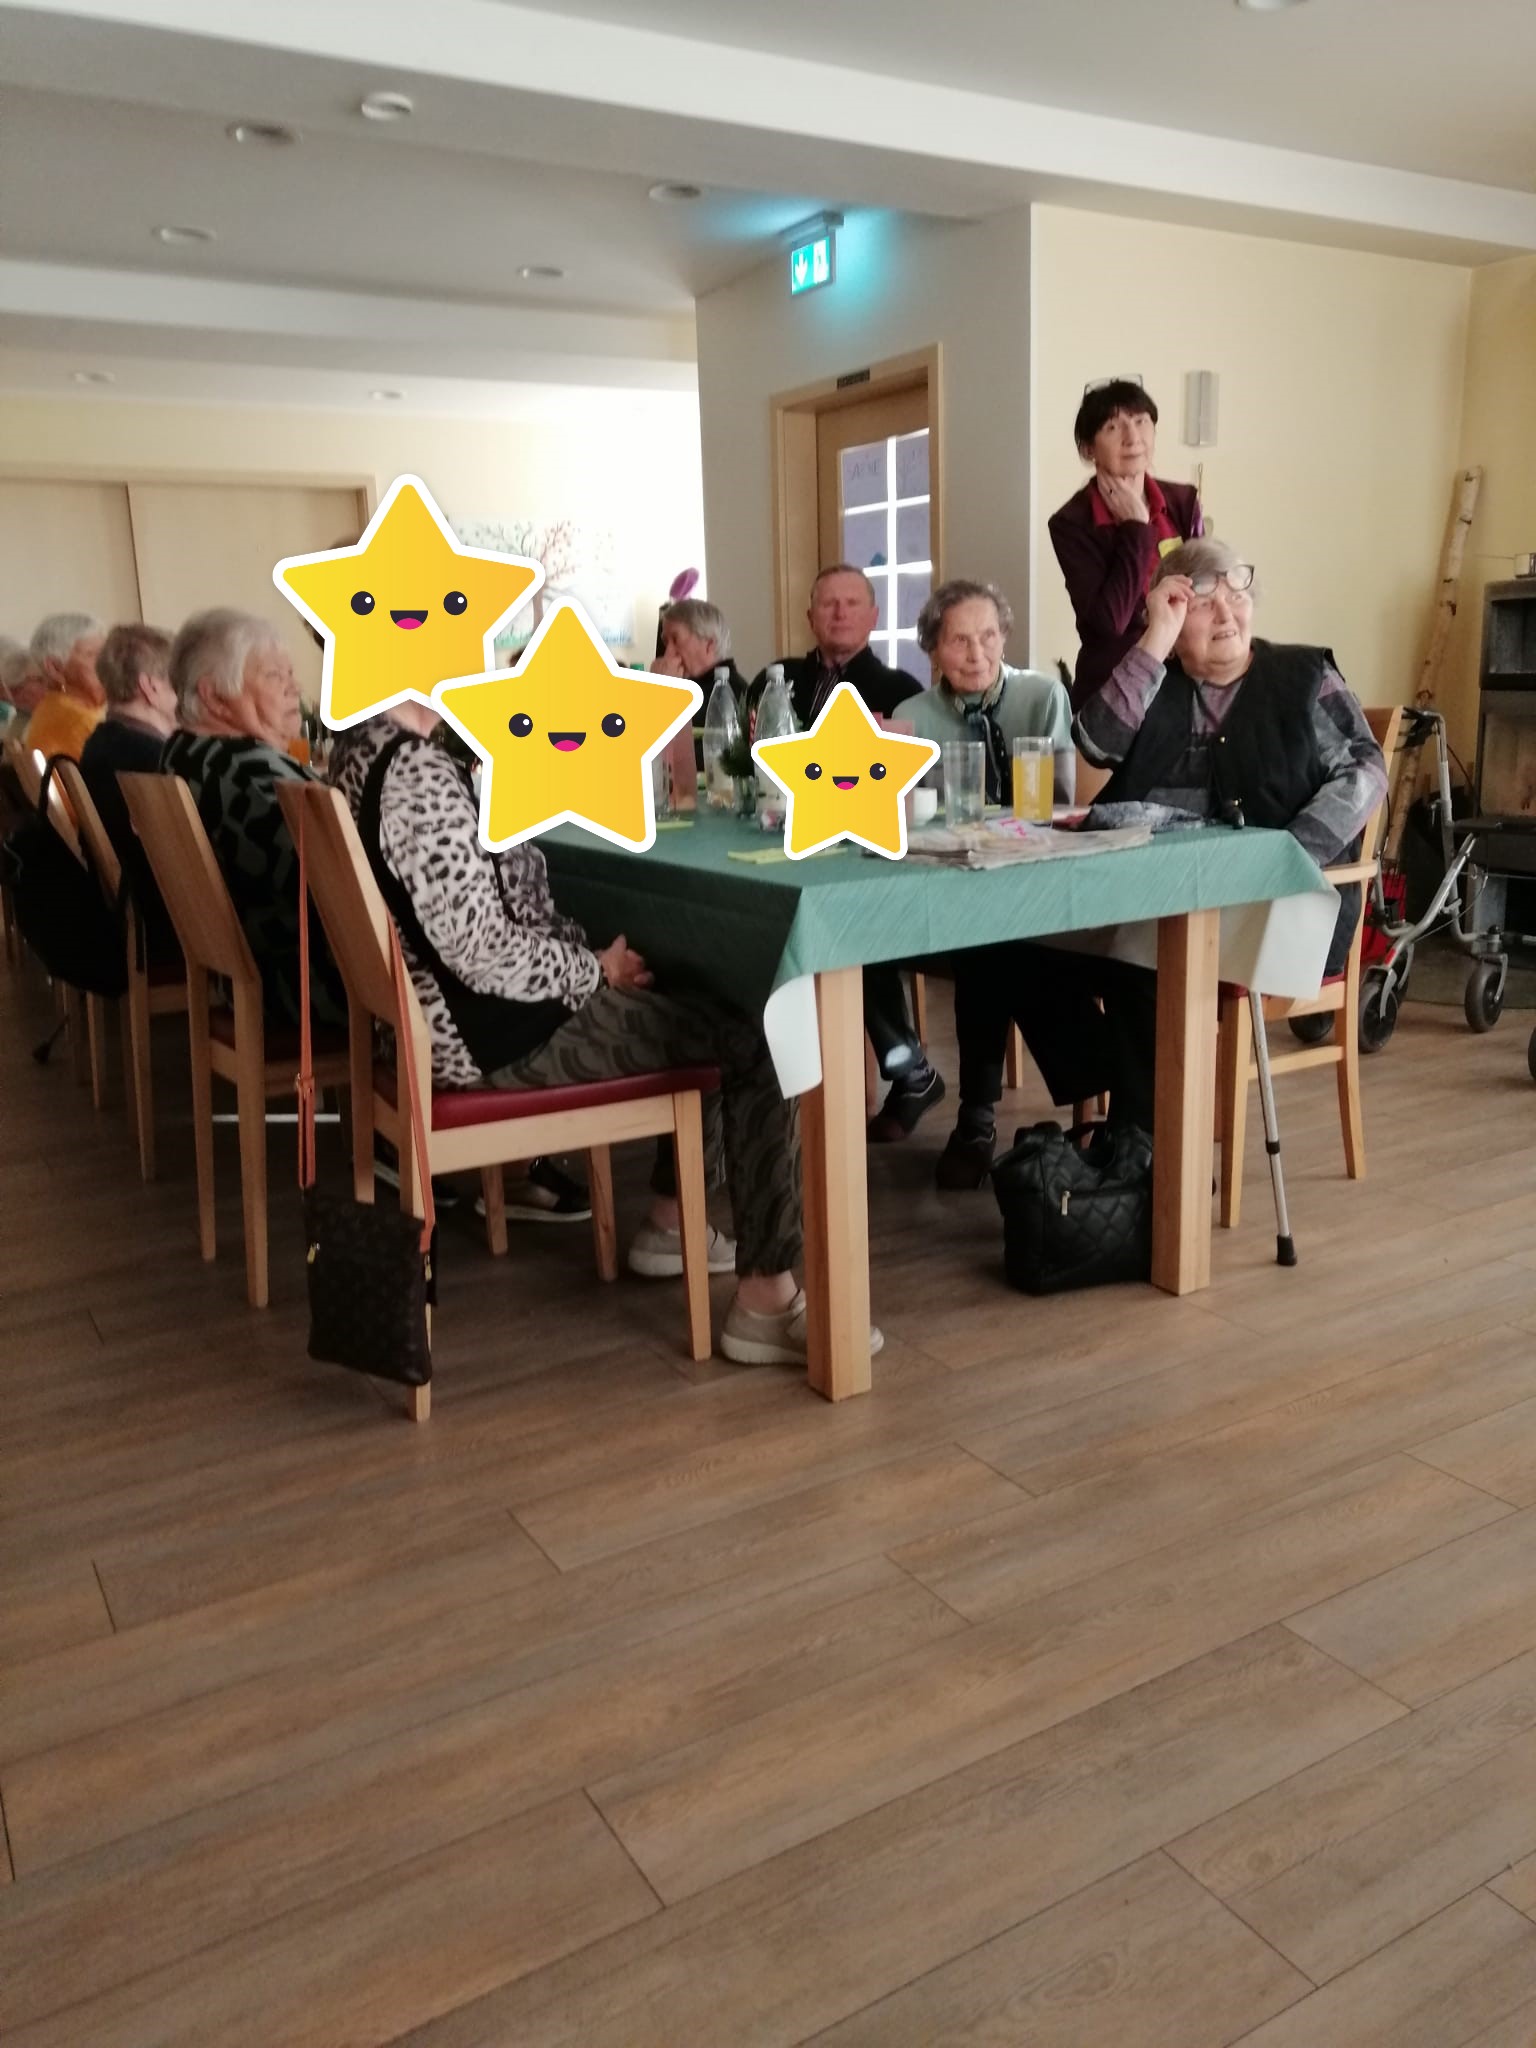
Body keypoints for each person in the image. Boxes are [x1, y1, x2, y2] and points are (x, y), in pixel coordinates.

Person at [329, 701, 878, 1366]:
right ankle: (765, 1299)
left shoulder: (360, 748)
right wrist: (594, 968)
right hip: (488, 1038)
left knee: (701, 1000)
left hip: (435, 1024)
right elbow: (479, 950)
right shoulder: (416, 771)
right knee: (757, 1033)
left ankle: (672, 1222)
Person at [985, 537, 1389, 1144]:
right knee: (1011, 941)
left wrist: (1289, 853)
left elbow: (1366, 770)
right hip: (1151, 902)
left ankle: (1148, 1151)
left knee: (1144, 967)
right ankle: (1128, 1108)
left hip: (1273, 906)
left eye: (1237, 593)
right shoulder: (1154, 677)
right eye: (1201, 603)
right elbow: (1094, 745)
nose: (1226, 613)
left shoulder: (1303, 677)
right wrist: (1153, 642)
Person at [751, 564, 939, 1139]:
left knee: (844, 917)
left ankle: (905, 1069)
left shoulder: (901, 689)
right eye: (827, 603)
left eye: (852, 603)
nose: (838, 613)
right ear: (809, 615)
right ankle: (773, 1087)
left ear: (873, 616)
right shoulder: (777, 679)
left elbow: (916, 785)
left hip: (869, 851)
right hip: (780, 834)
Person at [900, 581, 1076, 1187]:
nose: (976, 653)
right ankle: (927, 1085)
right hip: (951, 883)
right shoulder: (913, 715)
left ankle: (977, 1117)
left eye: (988, 637)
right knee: (977, 940)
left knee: (992, 946)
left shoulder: (1042, 695)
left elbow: (1061, 802)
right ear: (934, 650)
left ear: (1004, 639)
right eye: (958, 641)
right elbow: (904, 813)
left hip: (1039, 877)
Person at [161, 607, 346, 1033]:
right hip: (309, 987)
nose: (294, 687)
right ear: (214, 697)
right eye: (274, 676)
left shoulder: (183, 752)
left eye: (290, 674)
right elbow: (341, 889)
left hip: (254, 976)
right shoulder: (253, 776)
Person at [1048, 381, 1203, 711]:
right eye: (1113, 427)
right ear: (1089, 449)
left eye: (1141, 421)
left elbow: (1202, 591)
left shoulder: (1182, 501)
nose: (1132, 437)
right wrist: (1136, 529)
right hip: (1114, 690)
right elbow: (1109, 623)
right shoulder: (1072, 522)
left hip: (1182, 682)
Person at [79, 623, 181, 965]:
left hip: (129, 911)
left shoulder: (103, 742)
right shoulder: (149, 759)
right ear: (150, 687)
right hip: (169, 924)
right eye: (179, 680)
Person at [652, 597, 749, 759]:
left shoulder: (727, 693)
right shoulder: (691, 687)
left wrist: (663, 692)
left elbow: (679, 758)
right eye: (666, 642)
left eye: (675, 640)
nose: (668, 652)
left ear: (709, 644)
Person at [22, 613, 106, 762]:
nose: (108, 662)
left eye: (106, 653)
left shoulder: (53, 707)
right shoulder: (77, 721)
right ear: (54, 668)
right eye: (92, 654)